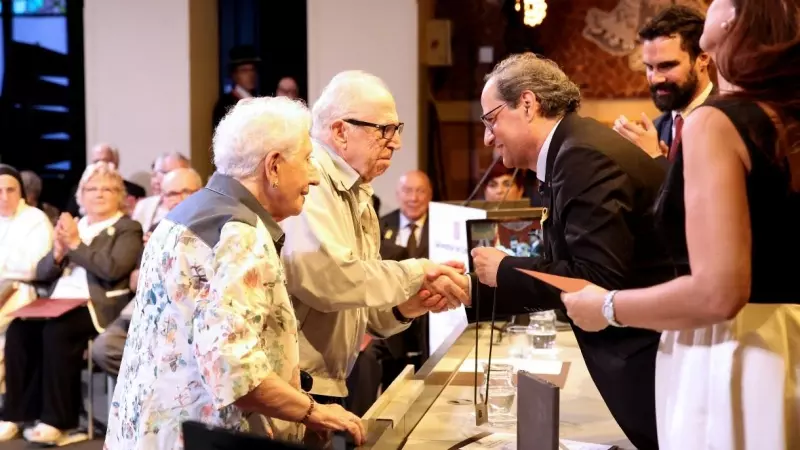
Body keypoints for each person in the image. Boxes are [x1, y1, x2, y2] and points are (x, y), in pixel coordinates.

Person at [563, 0, 800, 448]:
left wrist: (608, 307)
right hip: (787, 345)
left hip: (735, 358)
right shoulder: (784, 116)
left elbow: (719, 292)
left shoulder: (716, 122)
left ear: (733, 20)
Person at [105, 97, 367, 450]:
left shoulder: (184, 213)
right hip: (202, 437)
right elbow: (235, 372)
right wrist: (312, 412)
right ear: (273, 166)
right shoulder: (240, 234)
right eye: (306, 160)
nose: (314, 176)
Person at [463, 53, 673, 449]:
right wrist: (473, 289)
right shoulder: (573, 147)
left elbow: (594, 279)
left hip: (653, 358)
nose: (488, 137)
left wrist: (506, 269)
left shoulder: (580, 155)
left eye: (491, 120)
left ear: (527, 104)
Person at [280, 70, 469, 405]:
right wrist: (418, 271)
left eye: (397, 129)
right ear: (340, 131)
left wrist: (406, 305)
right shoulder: (311, 181)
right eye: (384, 130)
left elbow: (358, 300)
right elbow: (330, 280)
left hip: (327, 381)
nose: (395, 142)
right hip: (295, 385)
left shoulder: (358, 190)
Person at [0, 162, 142, 444]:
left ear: (120, 195)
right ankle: (15, 414)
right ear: (81, 194)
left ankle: (59, 420)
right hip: (56, 301)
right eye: (92, 188)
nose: (99, 194)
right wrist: (56, 254)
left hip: (95, 304)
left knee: (57, 332)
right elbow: (42, 274)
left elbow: (112, 269)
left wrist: (76, 245)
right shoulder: (73, 225)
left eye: (108, 189)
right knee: (19, 328)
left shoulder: (128, 228)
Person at [91, 167, 203, 378]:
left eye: (187, 191)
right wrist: (153, 257)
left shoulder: (212, 227)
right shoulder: (157, 228)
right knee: (105, 347)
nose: (179, 199)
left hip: (187, 313)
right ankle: (147, 394)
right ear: (163, 199)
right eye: (171, 194)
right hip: (148, 309)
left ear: (201, 192)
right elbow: (135, 282)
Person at [613, 5, 713, 163]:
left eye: (667, 66)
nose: (655, 78)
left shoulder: (728, 119)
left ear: (703, 59)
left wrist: (656, 159)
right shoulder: (655, 130)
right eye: (649, 67)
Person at [0, 165, 54, 393]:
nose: (4, 197)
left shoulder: (36, 219)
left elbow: (34, 267)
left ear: (20, 191)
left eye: (10, 190)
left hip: (23, 291)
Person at [131, 152, 191, 232]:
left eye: (166, 173)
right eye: (154, 175)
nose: (156, 180)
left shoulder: (193, 207)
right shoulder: (143, 205)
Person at [212, 45, 260, 130]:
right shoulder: (225, 104)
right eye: (244, 71)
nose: (250, 75)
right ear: (234, 75)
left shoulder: (260, 100)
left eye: (252, 70)